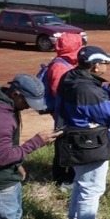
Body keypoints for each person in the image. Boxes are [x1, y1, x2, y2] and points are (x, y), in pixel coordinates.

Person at [59, 47, 110, 219]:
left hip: (74, 140)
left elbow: (88, 106)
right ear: (94, 67)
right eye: (105, 63)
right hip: (90, 143)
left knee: (81, 183)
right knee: (92, 188)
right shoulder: (87, 89)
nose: (107, 66)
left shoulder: (71, 78)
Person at [0, 75, 61, 219]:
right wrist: (36, 142)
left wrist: (17, 163)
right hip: (2, 183)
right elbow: (1, 157)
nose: (28, 107)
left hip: (10, 174)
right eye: (27, 102)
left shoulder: (8, 106)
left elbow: (7, 149)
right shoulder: (3, 119)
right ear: (16, 94)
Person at [42, 32, 81, 190]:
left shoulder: (66, 62)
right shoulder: (59, 66)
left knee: (67, 143)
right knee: (65, 145)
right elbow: (60, 92)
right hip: (65, 113)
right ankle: (62, 179)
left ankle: (66, 176)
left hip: (65, 111)